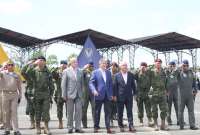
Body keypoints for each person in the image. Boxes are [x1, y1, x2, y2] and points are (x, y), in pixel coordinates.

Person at [26, 56, 54, 135]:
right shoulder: (34, 71)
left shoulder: (47, 72)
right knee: (37, 112)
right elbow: (27, 73)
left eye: (42, 60)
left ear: (45, 62)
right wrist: (33, 64)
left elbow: (51, 84)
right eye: (39, 60)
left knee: (46, 112)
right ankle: (38, 128)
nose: (41, 62)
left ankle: (46, 128)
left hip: (46, 94)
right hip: (36, 94)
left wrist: (51, 95)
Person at [89, 58, 115, 134]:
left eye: (105, 63)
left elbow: (110, 84)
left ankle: (108, 128)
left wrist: (111, 94)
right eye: (103, 63)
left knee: (108, 112)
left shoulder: (108, 73)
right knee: (97, 112)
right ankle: (96, 127)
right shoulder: (95, 72)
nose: (104, 64)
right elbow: (91, 83)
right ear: (99, 64)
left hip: (107, 95)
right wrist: (94, 90)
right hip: (98, 95)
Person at [61, 57, 84, 133]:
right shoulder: (66, 71)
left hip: (79, 94)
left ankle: (78, 127)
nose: (76, 63)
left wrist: (82, 94)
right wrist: (64, 95)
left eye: (76, 62)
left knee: (79, 111)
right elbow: (63, 84)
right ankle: (70, 127)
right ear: (70, 63)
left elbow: (82, 84)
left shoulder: (80, 71)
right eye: (74, 62)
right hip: (69, 95)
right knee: (70, 112)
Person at [113, 61, 136, 132]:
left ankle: (131, 125)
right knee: (120, 112)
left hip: (129, 96)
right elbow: (115, 87)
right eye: (123, 65)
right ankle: (121, 125)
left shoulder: (131, 75)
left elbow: (133, 85)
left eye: (126, 65)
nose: (125, 67)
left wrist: (135, 94)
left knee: (129, 111)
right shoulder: (117, 75)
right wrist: (114, 96)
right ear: (120, 67)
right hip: (120, 97)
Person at [0, 60, 22, 135]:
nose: (10, 66)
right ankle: (7, 129)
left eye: (12, 65)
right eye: (9, 65)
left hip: (14, 94)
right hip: (5, 94)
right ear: (7, 66)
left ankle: (16, 130)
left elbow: (19, 86)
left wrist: (20, 95)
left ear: (14, 66)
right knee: (6, 113)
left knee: (14, 112)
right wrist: (2, 67)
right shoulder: (2, 74)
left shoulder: (17, 75)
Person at [178, 60, 198, 130]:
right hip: (181, 95)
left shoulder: (191, 73)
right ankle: (181, 125)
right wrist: (179, 67)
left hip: (190, 95)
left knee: (191, 111)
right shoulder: (178, 73)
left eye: (186, 65)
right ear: (181, 66)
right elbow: (173, 73)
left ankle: (192, 125)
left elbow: (194, 83)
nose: (185, 67)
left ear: (188, 66)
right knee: (180, 111)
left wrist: (195, 90)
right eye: (183, 65)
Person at [150, 59, 168, 131]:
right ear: (154, 64)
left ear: (161, 64)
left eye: (159, 63)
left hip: (162, 93)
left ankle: (163, 125)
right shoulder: (151, 72)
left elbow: (167, 81)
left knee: (164, 110)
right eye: (157, 63)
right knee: (154, 110)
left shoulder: (164, 72)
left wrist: (167, 90)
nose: (158, 64)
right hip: (154, 93)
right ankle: (156, 124)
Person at [134, 62, 153, 127]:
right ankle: (141, 120)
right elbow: (133, 76)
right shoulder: (137, 73)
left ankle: (150, 119)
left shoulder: (149, 73)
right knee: (140, 108)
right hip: (139, 93)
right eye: (142, 66)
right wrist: (138, 70)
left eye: (144, 66)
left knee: (148, 107)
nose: (143, 68)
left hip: (147, 93)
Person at [52, 60, 68, 129]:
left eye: (65, 64)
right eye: (62, 64)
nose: (63, 65)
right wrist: (58, 68)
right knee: (59, 109)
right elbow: (52, 73)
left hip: (68, 94)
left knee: (69, 110)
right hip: (59, 94)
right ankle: (60, 123)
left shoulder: (68, 72)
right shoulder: (57, 73)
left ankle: (69, 123)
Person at [21, 58, 36, 129]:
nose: (33, 64)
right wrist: (27, 64)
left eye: (34, 63)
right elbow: (22, 72)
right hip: (30, 92)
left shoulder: (38, 71)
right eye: (32, 63)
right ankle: (32, 123)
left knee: (39, 108)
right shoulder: (27, 74)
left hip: (38, 91)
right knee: (31, 108)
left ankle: (38, 123)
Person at [82, 62, 95, 128]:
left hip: (93, 94)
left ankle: (95, 124)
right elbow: (79, 75)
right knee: (84, 109)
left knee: (94, 108)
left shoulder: (94, 73)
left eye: (92, 66)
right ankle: (84, 125)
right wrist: (84, 69)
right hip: (85, 94)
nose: (91, 67)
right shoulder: (84, 72)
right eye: (90, 66)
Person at [165, 61, 179, 125]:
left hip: (176, 91)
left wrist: (176, 69)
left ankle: (179, 120)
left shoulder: (177, 72)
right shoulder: (166, 72)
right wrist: (165, 91)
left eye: (173, 66)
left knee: (178, 107)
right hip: (168, 92)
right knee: (168, 107)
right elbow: (163, 82)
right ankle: (169, 121)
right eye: (171, 66)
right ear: (168, 66)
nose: (172, 67)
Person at [110, 62, 119, 126]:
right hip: (110, 93)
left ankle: (115, 116)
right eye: (112, 66)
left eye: (115, 66)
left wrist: (115, 95)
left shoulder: (118, 74)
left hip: (117, 93)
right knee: (110, 108)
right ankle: (111, 121)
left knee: (116, 107)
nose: (113, 67)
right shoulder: (108, 73)